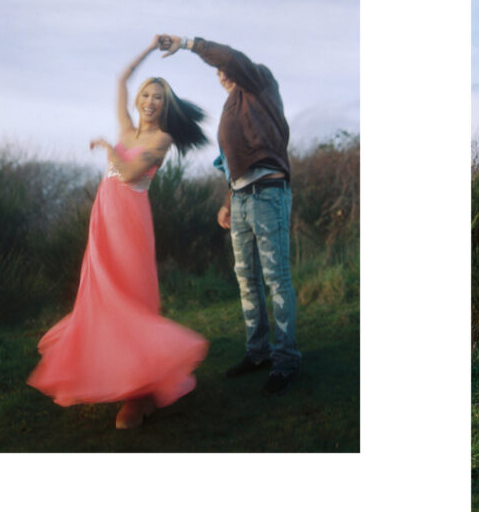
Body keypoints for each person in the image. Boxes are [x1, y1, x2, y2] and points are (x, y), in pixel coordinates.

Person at [28, 39, 210, 428]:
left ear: (165, 106)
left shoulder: (161, 139)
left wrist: (109, 148)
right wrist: (150, 47)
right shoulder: (128, 127)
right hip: (104, 220)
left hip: (131, 224)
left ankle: (139, 395)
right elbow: (122, 78)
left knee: (130, 297)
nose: (149, 101)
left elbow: (127, 174)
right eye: (146, 94)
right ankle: (124, 382)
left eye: (158, 97)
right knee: (103, 296)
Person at [156, 33, 301, 395]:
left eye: (224, 70)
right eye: (218, 73)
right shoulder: (231, 107)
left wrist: (187, 44)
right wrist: (228, 201)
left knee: (276, 278)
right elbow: (232, 161)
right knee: (246, 278)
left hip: (268, 195)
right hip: (241, 198)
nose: (221, 75)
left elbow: (231, 59)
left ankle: (286, 360)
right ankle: (258, 352)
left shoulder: (259, 82)